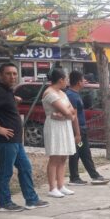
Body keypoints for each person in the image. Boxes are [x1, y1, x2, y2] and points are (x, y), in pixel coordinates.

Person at [0, 62, 50, 212]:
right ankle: (4, 203)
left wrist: (14, 99)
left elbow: (4, 105)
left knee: (25, 167)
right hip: (5, 141)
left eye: (14, 73)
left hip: (15, 141)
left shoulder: (7, 91)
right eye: (8, 74)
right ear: (0, 75)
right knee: (5, 172)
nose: (12, 76)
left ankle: (31, 200)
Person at [66, 71, 109, 186]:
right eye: (83, 80)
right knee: (76, 153)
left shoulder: (75, 94)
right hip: (78, 129)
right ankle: (74, 177)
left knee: (83, 152)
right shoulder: (71, 96)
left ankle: (94, 176)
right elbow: (73, 116)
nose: (84, 82)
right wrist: (77, 134)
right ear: (78, 82)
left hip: (81, 129)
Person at [42, 69, 81, 198]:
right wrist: (66, 113)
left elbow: (71, 112)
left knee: (63, 156)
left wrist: (65, 114)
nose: (67, 83)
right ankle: (52, 187)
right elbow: (67, 111)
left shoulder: (62, 93)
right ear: (61, 80)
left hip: (64, 125)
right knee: (55, 156)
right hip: (54, 127)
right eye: (66, 80)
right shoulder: (49, 93)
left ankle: (61, 185)